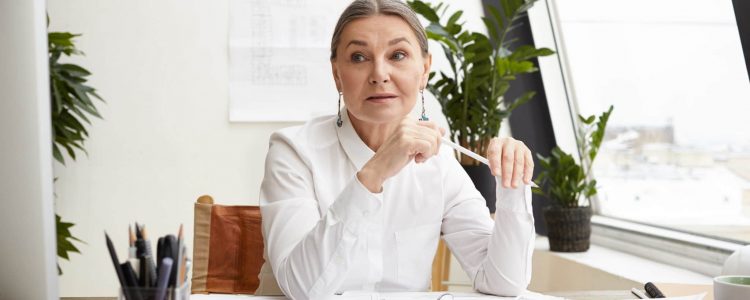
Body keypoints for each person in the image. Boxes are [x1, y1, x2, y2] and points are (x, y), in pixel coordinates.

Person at [259, 1, 536, 299]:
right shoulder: (294, 151)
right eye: (359, 57)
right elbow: (300, 289)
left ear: (424, 70)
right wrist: (375, 172)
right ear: (337, 74)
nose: (379, 74)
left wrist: (512, 184)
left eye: (398, 55)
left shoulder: (439, 161)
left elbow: (503, 284)